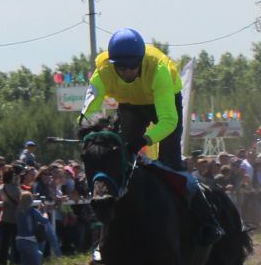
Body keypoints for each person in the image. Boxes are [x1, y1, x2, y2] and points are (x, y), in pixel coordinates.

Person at [79, 27, 222, 246]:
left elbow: (168, 121)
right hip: (131, 105)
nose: (127, 72)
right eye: (121, 67)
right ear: (112, 64)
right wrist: (93, 135)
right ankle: (108, 235)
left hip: (163, 104)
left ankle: (207, 220)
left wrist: (143, 141)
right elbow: (88, 113)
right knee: (120, 162)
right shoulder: (102, 73)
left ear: (141, 60)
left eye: (133, 66)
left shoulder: (159, 71)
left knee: (171, 164)